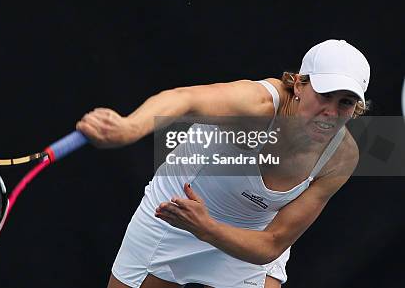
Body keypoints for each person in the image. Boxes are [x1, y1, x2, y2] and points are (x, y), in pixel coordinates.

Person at [76, 39, 371, 288]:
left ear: (356, 109)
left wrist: (208, 229)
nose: (330, 112)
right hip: (175, 213)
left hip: (253, 237)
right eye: (324, 95)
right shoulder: (256, 106)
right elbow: (185, 99)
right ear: (298, 85)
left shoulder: (341, 158)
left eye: (345, 102)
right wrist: (129, 128)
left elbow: (271, 243)